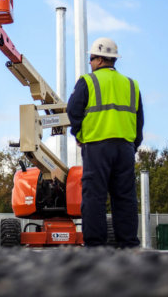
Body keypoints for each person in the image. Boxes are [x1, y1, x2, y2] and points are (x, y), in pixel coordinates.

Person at [66, 37, 143, 248]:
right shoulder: (131, 84)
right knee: (125, 197)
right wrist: (132, 145)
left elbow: (73, 112)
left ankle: (95, 246)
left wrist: (80, 136)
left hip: (96, 146)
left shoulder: (87, 81)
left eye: (91, 59)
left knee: (94, 197)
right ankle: (128, 244)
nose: (90, 64)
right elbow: (139, 121)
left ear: (99, 59)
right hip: (125, 148)